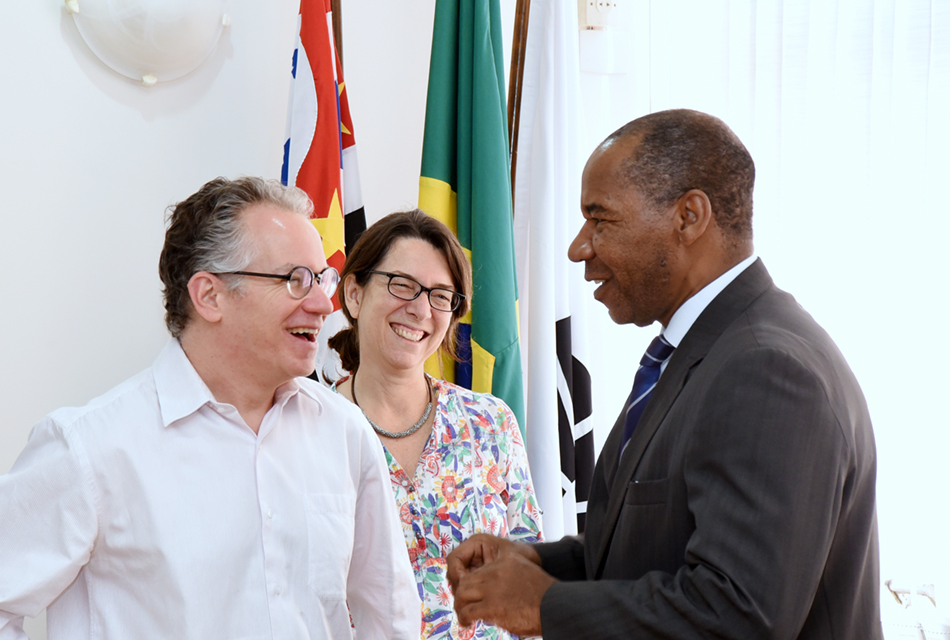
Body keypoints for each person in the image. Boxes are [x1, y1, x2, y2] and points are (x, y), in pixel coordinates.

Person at [446, 109, 883, 639]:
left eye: (600, 219)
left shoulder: (767, 369)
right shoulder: (704, 351)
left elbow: (739, 616)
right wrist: (536, 566)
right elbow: (659, 547)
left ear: (689, 217)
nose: (578, 248)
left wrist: (547, 607)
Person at [0, 177, 419, 640]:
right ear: (209, 296)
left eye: (323, 279)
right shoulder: (89, 447)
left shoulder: (342, 431)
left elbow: (390, 614)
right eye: (296, 280)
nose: (324, 304)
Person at [327, 209, 543, 640]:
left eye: (441, 295)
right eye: (402, 285)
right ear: (354, 293)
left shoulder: (491, 424)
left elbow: (530, 578)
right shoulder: (309, 430)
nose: (421, 309)